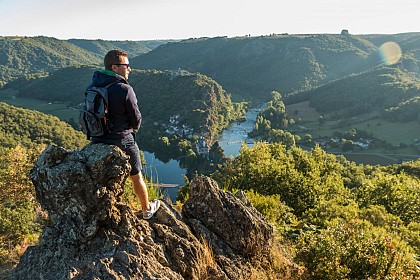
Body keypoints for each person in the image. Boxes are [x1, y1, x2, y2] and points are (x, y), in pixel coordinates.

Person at [87, 50, 160, 219]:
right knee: (136, 176)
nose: (129, 69)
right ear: (115, 67)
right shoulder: (124, 89)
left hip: (97, 140)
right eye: (126, 66)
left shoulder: (92, 86)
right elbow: (136, 121)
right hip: (122, 140)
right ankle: (146, 210)